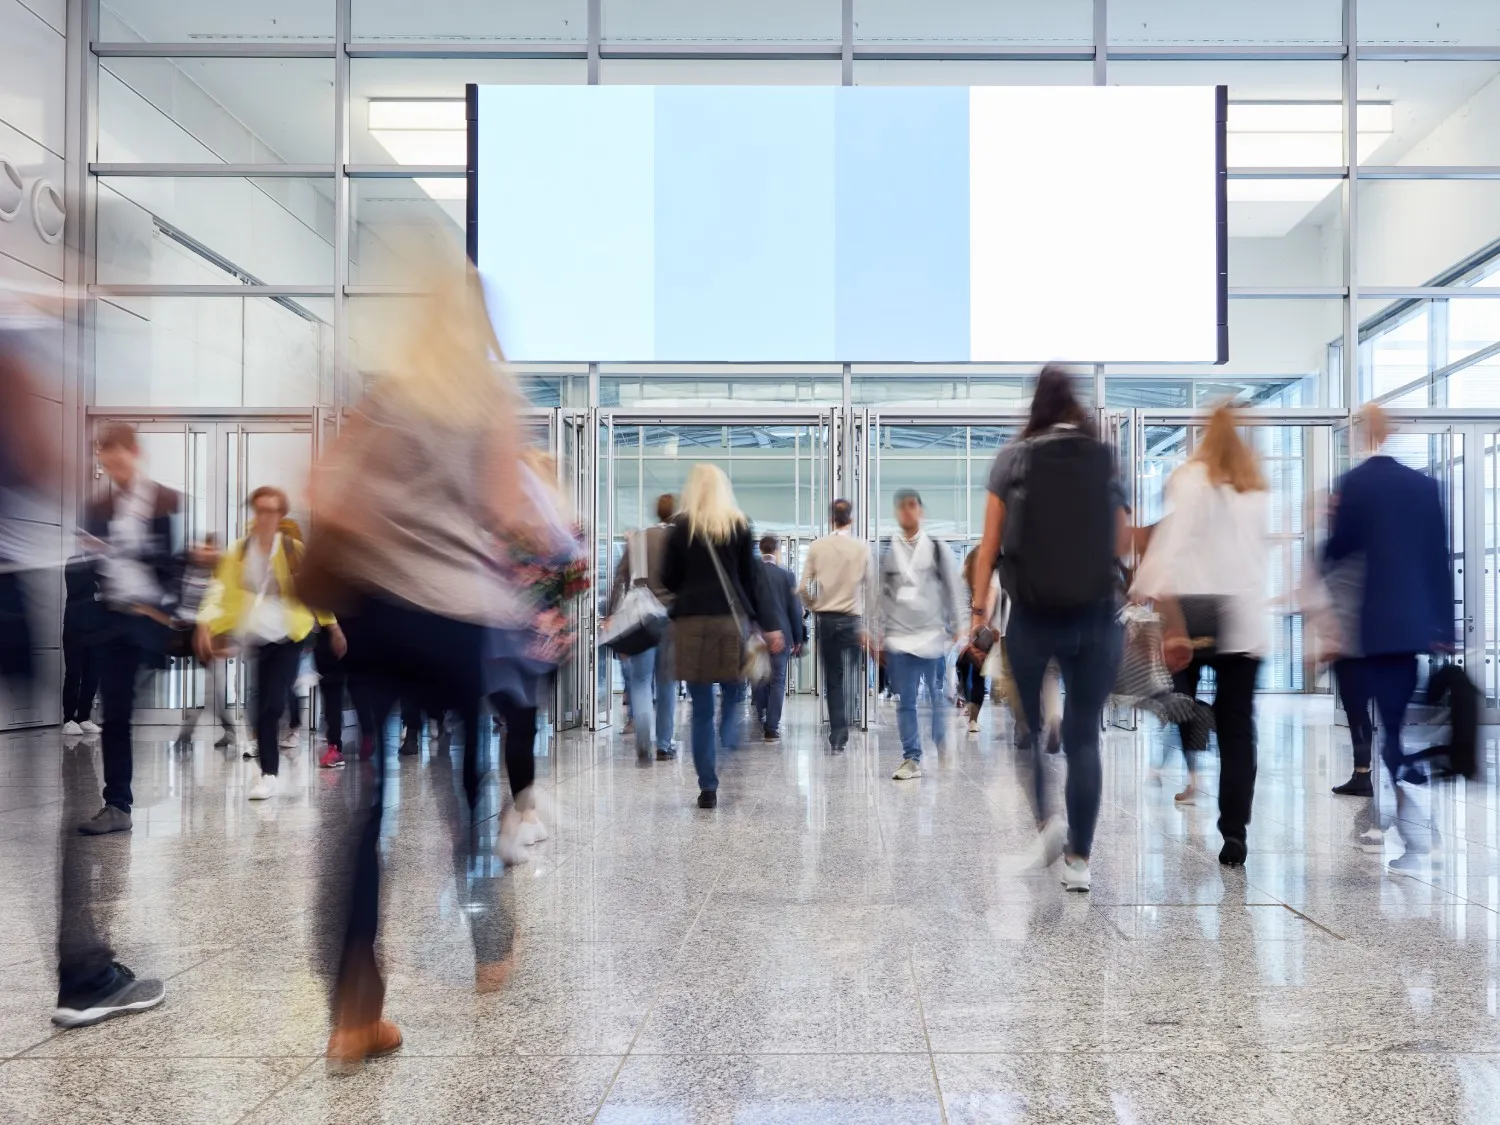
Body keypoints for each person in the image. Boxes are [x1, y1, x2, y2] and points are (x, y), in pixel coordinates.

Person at [302, 260, 542, 1068]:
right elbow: (510, 518)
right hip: (455, 623)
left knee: (367, 806)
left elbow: (330, 501)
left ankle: (355, 1007)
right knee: (467, 788)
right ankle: (491, 947)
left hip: (378, 621)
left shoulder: (383, 401)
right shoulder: (489, 400)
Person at [5, 290, 167, 1026]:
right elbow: (36, 456)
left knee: (116, 720)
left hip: (131, 623)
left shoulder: (162, 500)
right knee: (58, 789)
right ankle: (85, 973)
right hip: (44, 600)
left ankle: (120, 802)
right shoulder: (16, 339)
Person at [970, 367, 1124, 893]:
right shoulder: (1103, 460)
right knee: (1084, 738)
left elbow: (988, 547)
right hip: (1097, 613)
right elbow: (1121, 541)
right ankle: (1079, 860)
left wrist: (978, 611)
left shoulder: (1013, 459)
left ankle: (1047, 822)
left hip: (1032, 614)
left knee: (1031, 730)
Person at [1133, 404, 1270, 867]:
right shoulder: (1257, 489)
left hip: (1194, 614)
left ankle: (1187, 774)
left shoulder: (1190, 479)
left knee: (1185, 708)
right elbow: (1258, 559)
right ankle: (1235, 832)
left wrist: (1146, 594)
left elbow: (1170, 543)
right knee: (1237, 730)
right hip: (1243, 617)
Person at [1325, 404, 1452, 868]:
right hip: (1407, 628)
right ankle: (1412, 807)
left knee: (1366, 718)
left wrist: (1327, 536)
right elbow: (1438, 558)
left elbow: (1339, 549)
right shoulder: (1423, 487)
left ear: (1362, 435)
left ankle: (1401, 807)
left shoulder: (1356, 485)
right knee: (1395, 728)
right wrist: (1442, 625)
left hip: (1363, 627)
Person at [196, 487, 343, 801]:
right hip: (256, 637)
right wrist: (206, 624)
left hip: (289, 635)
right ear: (254, 512)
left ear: (280, 515)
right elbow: (218, 590)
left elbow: (314, 591)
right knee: (261, 707)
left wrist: (333, 626)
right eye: (260, 510)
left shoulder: (291, 549)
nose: (265, 517)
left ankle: (270, 771)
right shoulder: (239, 551)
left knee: (273, 702)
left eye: (272, 511)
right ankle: (268, 774)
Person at [661, 463, 784, 809]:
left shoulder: (680, 527)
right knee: (733, 692)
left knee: (700, 707)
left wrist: (691, 587)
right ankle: (728, 740)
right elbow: (751, 579)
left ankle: (708, 787)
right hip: (730, 621)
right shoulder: (739, 525)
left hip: (690, 623)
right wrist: (768, 623)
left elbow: (668, 578)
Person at [81, 422, 183, 835]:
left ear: (134, 454)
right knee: (116, 712)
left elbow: (174, 562)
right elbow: (91, 563)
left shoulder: (164, 500)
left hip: (149, 617)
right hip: (113, 617)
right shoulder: (97, 507)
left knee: (123, 706)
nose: (114, 469)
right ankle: (117, 804)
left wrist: (127, 553)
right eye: (106, 461)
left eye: (119, 459)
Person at [491, 447, 589, 861]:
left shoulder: (501, 524)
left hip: (498, 635)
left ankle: (521, 809)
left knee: (514, 726)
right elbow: (578, 584)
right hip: (542, 640)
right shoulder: (567, 526)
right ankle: (524, 813)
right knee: (524, 726)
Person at [876, 489, 963, 781]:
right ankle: (911, 758)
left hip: (931, 636)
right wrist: (875, 630)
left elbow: (953, 588)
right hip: (899, 638)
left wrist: (959, 624)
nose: (907, 512)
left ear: (920, 512)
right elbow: (879, 595)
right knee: (906, 701)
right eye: (901, 507)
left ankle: (940, 739)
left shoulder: (937, 548)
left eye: (912, 506)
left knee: (937, 695)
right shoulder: (888, 550)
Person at [606, 492, 679, 762]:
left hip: (640, 617)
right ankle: (664, 744)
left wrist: (611, 613)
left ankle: (643, 741)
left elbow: (619, 578)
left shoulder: (636, 539)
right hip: (670, 618)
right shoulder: (678, 541)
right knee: (667, 682)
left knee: (639, 680)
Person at [800, 498, 871, 753]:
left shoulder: (818, 547)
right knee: (855, 671)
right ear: (850, 519)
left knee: (833, 678)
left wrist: (815, 604)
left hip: (827, 619)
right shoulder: (861, 548)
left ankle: (838, 733)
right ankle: (854, 717)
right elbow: (871, 589)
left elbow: (801, 588)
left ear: (832, 519)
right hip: (852, 620)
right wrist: (867, 625)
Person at [173, 534, 236, 750]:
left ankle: (189, 732)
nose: (206, 552)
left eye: (211, 549)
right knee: (209, 688)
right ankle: (192, 732)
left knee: (214, 688)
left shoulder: (221, 575)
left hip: (212, 635)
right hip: (187, 634)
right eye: (204, 548)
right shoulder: (187, 570)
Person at [751, 534, 804, 743]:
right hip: (782, 636)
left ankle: (761, 713)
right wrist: (798, 638)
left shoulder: (751, 574)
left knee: (758, 676)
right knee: (778, 680)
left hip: (757, 635)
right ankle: (771, 728)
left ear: (761, 550)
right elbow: (794, 610)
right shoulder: (787, 576)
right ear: (777, 551)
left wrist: (754, 630)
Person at [61, 549, 105, 736]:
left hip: (97, 629)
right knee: (74, 673)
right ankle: (69, 719)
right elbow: (79, 590)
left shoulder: (103, 564)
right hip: (75, 628)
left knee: (92, 674)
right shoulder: (75, 562)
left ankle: (84, 717)